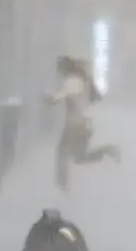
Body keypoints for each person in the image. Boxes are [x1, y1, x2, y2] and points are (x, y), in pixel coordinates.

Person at [45, 55, 119, 192]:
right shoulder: (80, 79)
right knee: (80, 157)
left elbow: (59, 97)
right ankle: (107, 150)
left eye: (59, 69)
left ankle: (62, 184)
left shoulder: (72, 81)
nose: (58, 72)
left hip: (76, 124)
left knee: (62, 152)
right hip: (84, 124)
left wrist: (48, 99)